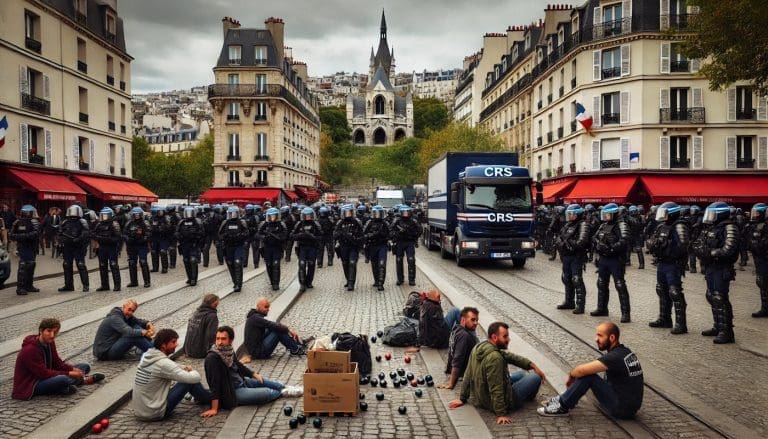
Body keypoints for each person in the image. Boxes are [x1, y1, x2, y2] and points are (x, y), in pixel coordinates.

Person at [538, 322, 643, 418]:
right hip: (630, 405)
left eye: (600, 336)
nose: (596, 339)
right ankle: (566, 397)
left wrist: (571, 376)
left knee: (588, 376)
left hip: (622, 409)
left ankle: (562, 406)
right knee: (592, 375)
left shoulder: (614, 357)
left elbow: (581, 371)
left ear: (612, 338)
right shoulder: (625, 352)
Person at [449, 322, 545, 424]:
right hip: (496, 400)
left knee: (522, 374)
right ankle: (526, 397)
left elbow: (468, 374)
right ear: (494, 337)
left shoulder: (479, 347)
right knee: (535, 378)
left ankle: (520, 388)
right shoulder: (495, 358)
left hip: (481, 393)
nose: (508, 339)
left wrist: (531, 365)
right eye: (505, 336)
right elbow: (496, 387)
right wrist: (501, 413)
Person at [203, 326, 302, 416]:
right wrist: (214, 408)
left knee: (268, 381)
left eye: (223, 339)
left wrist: (254, 374)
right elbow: (214, 383)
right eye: (218, 339)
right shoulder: (212, 358)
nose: (220, 342)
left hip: (243, 381)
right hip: (233, 392)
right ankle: (282, 392)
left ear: (230, 340)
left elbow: (238, 366)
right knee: (266, 393)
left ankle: (284, 387)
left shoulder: (227, 350)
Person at [13, 318, 105, 400]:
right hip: (32, 383)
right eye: (49, 331)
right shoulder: (30, 349)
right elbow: (42, 373)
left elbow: (57, 363)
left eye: (55, 332)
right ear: (41, 331)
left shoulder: (50, 342)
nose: (52, 335)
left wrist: (71, 369)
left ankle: (66, 386)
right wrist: (69, 373)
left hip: (48, 374)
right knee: (63, 379)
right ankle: (82, 381)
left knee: (84, 366)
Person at [132, 329, 212, 421]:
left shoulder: (148, 356)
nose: (176, 344)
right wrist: (192, 371)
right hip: (154, 413)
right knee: (189, 381)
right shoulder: (162, 364)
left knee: (186, 378)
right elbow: (195, 378)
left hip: (141, 411)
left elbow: (171, 367)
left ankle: (204, 395)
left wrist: (183, 367)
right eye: (173, 342)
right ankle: (211, 399)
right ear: (163, 345)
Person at [693, 202, 739, 344]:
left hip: (722, 267)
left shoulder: (730, 227)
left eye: (713, 214)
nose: (710, 217)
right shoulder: (710, 228)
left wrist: (711, 253)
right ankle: (717, 326)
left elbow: (729, 249)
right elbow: (698, 243)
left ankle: (727, 331)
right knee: (711, 296)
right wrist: (701, 251)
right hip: (710, 267)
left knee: (720, 297)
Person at [646, 201, 690, 334]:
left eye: (665, 213)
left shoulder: (679, 226)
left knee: (675, 292)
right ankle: (664, 319)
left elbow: (683, 246)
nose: (662, 216)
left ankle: (680, 324)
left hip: (673, 264)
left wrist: (667, 249)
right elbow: (651, 241)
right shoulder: (661, 226)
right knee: (661, 290)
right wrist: (654, 245)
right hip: (662, 263)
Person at [591, 203, 632, 322]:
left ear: (614, 214)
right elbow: (594, 237)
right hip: (603, 259)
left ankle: (625, 313)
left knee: (620, 285)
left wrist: (611, 248)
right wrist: (598, 244)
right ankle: (602, 308)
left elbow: (624, 241)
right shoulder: (603, 225)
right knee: (601, 283)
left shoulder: (621, 225)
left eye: (607, 214)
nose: (605, 216)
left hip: (615, 259)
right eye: (604, 214)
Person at [241, 297, 309, 360]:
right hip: (258, 352)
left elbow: (272, 325)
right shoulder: (255, 318)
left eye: (268, 307)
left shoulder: (254, 316)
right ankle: (296, 349)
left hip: (257, 347)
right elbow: (272, 325)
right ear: (258, 306)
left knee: (276, 328)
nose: (268, 309)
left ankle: (297, 344)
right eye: (266, 307)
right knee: (277, 331)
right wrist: (289, 329)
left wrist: (286, 329)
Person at [555, 204, 590, 313]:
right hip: (566, 256)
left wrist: (568, 243)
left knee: (576, 279)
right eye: (568, 214)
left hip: (576, 256)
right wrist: (561, 244)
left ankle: (580, 305)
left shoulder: (583, 225)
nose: (569, 216)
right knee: (566, 278)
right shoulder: (567, 225)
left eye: (571, 214)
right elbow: (559, 238)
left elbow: (581, 242)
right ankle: (569, 302)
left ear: (577, 214)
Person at [438, 307, 479, 390]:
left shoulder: (456, 329)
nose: (475, 323)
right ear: (463, 320)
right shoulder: (464, 336)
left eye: (477, 320)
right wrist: (451, 384)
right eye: (473, 320)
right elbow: (458, 359)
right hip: (468, 373)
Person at [57, 204, 91, 292]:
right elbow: (60, 232)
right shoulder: (65, 222)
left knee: (81, 265)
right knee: (66, 265)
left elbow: (86, 232)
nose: (73, 214)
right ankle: (68, 285)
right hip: (67, 247)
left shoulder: (82, 221)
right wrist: (61, 239)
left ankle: (85, 285)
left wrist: (78, 239)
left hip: (78, 247)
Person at [9, 205, 40, 295]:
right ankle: (20, 287)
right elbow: (11, 234)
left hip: (32, 247)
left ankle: (29, 286)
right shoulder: (17, 222)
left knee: (31, 265)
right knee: (23, 266)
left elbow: (36, 233)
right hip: (23, 247)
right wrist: (23, 237)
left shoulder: (34, 222)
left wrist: (21, 237)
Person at [334, 204, 364, 291]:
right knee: (345, 264)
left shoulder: (357, 222)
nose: (348, 214)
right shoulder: (340, 222)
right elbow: (335, 234)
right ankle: (348, 280)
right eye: (346, 212)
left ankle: (351, 283)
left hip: (353, 247)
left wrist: (354, 238)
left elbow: (362, 235)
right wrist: (343, 234)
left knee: (352, 263)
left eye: (349, 212)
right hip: (343, 247)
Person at [219, 206, 249, 292]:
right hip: (228, 246)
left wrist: (240, 236)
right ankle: (235, 282)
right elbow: (220, 234)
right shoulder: (225, 222)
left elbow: (247, 233)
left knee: (238, 263)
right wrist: (225, 236)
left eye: (234, 213)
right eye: (231, 213)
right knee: (231, 264)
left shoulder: (242, 222)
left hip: (238, 246)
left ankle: (238, 284)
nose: (232, 215)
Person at [292, 207, 322, 293]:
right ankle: (302, 283)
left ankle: (309, 282)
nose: (308, 217)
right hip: (302, 248)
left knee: (311, 264)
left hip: (312, 247)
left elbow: (320, 237)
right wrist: (301, 235)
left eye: (309, 215)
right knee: (302, 264)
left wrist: (312, 237)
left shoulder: (316, 224)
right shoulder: (299, 224)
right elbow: (292, 236)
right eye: (306, 215)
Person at [257, 208, 288, 291]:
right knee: (269, 265)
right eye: (271, 215)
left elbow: (285, 235)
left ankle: (276, 283)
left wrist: (278, 237)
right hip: (267, 248)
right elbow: (259, 233)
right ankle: (272, 281)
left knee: (276, 265)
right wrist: (265, 237)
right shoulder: (265, 224)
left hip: (277, 248)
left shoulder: (281, 224)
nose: (272, 217)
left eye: (274, 215)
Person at [391, 205, 421, 286]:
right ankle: (400, 279)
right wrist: (398, 233)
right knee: (399, 260)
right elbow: (391, 231)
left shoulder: (413, 221)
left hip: (409, 242)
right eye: (404, 212)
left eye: (407, 212)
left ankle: (412, 279)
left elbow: (419, 231)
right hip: (400, 242)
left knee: (411, 260)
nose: (405, 214)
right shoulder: (396, 221)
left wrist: (412, 234)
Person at [93, 207, 122, 292]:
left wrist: (107, 239)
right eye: (102, 215)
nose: (103, 217)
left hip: (111, 248)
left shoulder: (114, 224)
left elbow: (118, 237)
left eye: (105, 215)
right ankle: (104, 285)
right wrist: (96, 238)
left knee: (113, 265)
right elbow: (94, 233)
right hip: (102, 247)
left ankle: (117, 285)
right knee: (102, 265)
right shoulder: (99, 224)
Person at [747, 203, 768, 318]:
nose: (754, 215)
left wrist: (756, 244)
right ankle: (765, 308)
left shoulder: (765, 225)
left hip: (765, 258)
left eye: (757, 213)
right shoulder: (754, 225)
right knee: (762, 283)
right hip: (759, 258)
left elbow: (763, 243)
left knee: (764, 282)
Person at [183, 294, 220, 358]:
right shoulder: (212, 316)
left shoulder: (196, 312)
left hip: (187, 349)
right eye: (216, 304)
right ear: (213, 303)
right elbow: (211, 335)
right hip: (199, 352)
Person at [363, 205, 390, 291]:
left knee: (382, 264)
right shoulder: (369, 223)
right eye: (376, 214)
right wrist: (370, 235)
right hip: (372, 246)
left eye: (379, 214)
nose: (377, 215)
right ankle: (376, 280)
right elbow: (363, 234)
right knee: (374, 264)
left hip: (382, 245)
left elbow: (391, 233)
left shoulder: (385, 223)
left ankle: (381, 283)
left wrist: (385, 235)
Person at [123, 207, 152, 288]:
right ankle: (133, 281)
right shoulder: (128, 223)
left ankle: (147, 281)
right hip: (131, 246)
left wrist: (142, 240)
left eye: (138, 214)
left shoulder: (145, 223)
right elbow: (124, 233)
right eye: (135, 214)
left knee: (143, 262)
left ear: (141, 215)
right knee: (131, 263)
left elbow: (149, 234)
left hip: (141, 246)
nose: (136, 216)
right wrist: (128, 239)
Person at [176, 206, 205, 286]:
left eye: (190, 213)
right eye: (187, 213)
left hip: (194, 244)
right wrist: (180, 236)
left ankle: (194, 279)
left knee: (193, 260)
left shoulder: (197, 221)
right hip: (184, 244)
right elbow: (176, 232)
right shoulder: (181, 222)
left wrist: (195, 236)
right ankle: (189, 277)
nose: (188, 215)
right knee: (186, 261)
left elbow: (202, 233)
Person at [148, 206, 171, 273]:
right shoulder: (153, 218)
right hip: (154, 238)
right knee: (154, 252)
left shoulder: (166, 218)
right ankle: (155, 267)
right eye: (159, 211)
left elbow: (169, 228)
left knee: (163, 252)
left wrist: (163, 228)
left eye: (161, 211)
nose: (160, 212)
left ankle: (164, 267)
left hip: (163, 238)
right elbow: (150, 226)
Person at [242, 204, 261, 269]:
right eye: (247, 210)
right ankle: (244, 263)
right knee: (245, 250)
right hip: (246, 236)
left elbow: (258, 226)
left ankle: (256, 263)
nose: (248, 211)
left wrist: (257, 233)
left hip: (254, 235)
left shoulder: (255, 217)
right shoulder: (243, 217)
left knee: (255, 250)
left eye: (249, 210)